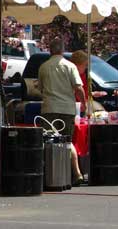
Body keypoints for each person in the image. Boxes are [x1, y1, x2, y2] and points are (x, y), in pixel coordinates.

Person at [38, 39, 86, 184]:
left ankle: (49, 174)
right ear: (62, 51)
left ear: (50, 50)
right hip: (67, 108)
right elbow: (78, 88)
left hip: (49, 108)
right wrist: (83, 103)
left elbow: (40, 88)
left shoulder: (43, 67)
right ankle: (74, 173)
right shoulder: (70, 66)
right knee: (66, 141)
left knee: (49, 141)